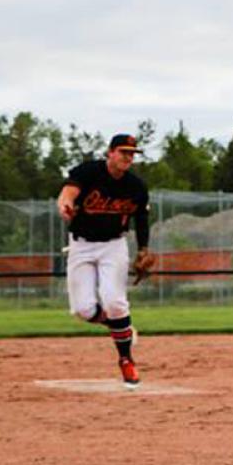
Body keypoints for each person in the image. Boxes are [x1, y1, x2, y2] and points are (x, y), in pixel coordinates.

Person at [56, 134, 154, 389]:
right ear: (110, 152)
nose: (128, 157)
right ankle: (119, 327)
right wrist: (65, 203)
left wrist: (143, 248)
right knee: (83, 310)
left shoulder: (136, 186)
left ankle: (126, 361)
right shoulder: (89, 172)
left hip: (113, 246)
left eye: (132, 154)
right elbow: (68, 192)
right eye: (123, 152)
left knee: (114, 301)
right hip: (81, 245)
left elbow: (141, 219)